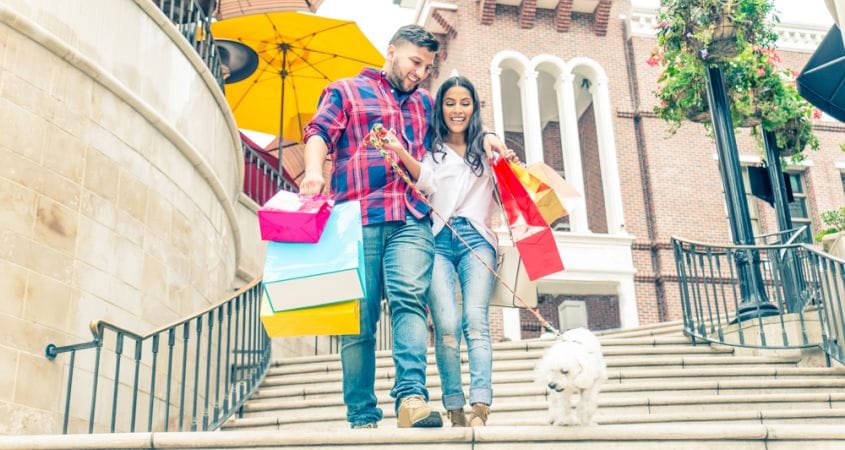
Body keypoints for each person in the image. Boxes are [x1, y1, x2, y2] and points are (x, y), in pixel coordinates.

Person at [299, 25, 508, 429]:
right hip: (356, 217)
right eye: (415, 62)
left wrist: (493, 135)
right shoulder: (346, 90)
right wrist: (312, 171)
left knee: (409, 302)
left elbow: (459, 127)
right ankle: (361, 413)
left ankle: (411, 398)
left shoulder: (426, 103)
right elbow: (319, 132)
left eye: (427, 67)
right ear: (392, 51)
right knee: (359, 320)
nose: (420, 72)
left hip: (411, 218)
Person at [383, 75, 517, 428]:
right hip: (437, 240)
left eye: (465, 103)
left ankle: (480, 404)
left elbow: (508, 196)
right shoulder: (431, 148)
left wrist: (501, 153)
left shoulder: (486, 150)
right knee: (446, 325)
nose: (458, 110)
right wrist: (399, 152)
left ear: (474, 108)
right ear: (440, 108)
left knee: (476, 322)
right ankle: (454, 404)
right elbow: (425, 182)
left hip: (477, 239)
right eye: (450, 103)